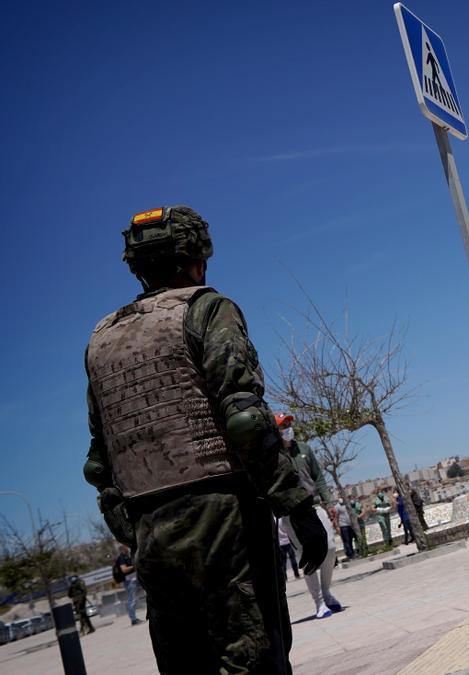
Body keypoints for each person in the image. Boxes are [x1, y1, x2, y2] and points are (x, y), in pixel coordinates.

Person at [82, 205, 327, 674]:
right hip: (224, 516)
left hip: (151, 528)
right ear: (198, 257)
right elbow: (245, 422)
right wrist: (298, 508)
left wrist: (134, 533)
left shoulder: (102, 338)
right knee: (253, 656)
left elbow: (100, 461)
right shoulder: (208, 309)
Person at [272, 413, 342, 618]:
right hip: (292, 514)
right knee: (305, 557)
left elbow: (318, 478)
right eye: (282, 425)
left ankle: (327, 590)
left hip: (314, 507)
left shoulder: (304, 449)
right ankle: (320, 602)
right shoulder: (273, 455)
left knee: (329, 548)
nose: (287, 428)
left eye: (288, 424)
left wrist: (329, 502)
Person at [114, 545, 142, 625]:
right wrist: (134, 566)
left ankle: (134, 619)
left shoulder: (127, 556)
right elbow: (124, 569)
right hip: (129, 581)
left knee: (133, 599)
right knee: (131, 600)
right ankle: (133, 620)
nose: (128, 548)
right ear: (123, 549)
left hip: (133, 579)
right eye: (126, 547)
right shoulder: (122, 557)